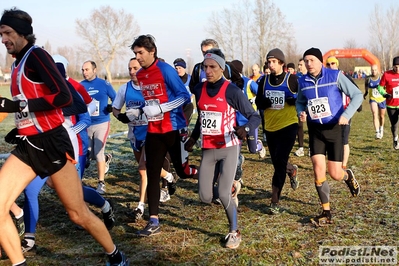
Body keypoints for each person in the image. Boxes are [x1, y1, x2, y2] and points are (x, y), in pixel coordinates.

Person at [0, 8, 128, 265]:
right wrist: (21, 124)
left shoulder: (37, 56)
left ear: (23, 33)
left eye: (8, 33)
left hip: (52, 143)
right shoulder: (16, 65)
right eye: (1, 34)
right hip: (28, 145)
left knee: (77, 213)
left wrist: (18, 108)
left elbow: (63, 97)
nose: (4, 39)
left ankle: (115, 257)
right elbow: (30, 104)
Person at [185, 48, 260, 249]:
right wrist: (193, 138)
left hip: (229, 147)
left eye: (212, 67)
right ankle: (231, 187)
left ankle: (234, 231)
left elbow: (255, 116)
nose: (208, 71)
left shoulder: (231, 90)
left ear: (221, 68)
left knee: (223, 194)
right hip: (208, 148)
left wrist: (245, 129)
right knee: (205, 196)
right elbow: (202, 118)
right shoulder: (199, 89)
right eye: (205, 67)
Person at [130, 34, 192, 237]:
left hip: (174, 128)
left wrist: (162, 108)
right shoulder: (141, 75)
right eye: (135, 53)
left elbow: (184, 96)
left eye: (140, 53)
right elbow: (149, 103)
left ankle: (214, 180)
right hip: (154, 131)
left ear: (152, 51)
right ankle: (153, 220)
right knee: (152, 173)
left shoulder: (166, 70)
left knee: (182, 171)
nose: (138, 57)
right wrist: (138, 111)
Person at [296, 47, 362, 227]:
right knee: (318, 168)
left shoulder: (335, 76)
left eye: (312, 60)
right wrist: (301, 111)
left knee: (335, 174)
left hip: (334, 129)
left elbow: (357, 95)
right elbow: (300, 101)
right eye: (306, 60)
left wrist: (346, 115)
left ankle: (347, 176)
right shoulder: (303, 81)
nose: (308, 64)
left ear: (320, 61)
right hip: (315, 130)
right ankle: (326, 212)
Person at [112, 57, 176, 221]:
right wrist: (122, 117)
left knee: (142, 169)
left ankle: (140, 207)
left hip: (152, 132)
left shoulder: (150, 86)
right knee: (147, 170)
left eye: (135, 68)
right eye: (130, 69)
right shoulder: (124, 88)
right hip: (135, 134)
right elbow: (115, 108)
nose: (132, 71)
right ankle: (168, 176)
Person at [255, 48, 299, 215]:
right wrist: (263, 103)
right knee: (278, 162)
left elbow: (302, 98)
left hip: (289, 125)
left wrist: (293, 100)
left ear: (281, 63)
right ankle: (292, 170)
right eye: (269, 62)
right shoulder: (263, 81)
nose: (270, 64)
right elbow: (258, 102)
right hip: (270, 128)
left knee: (279, 163)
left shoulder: (292, 80)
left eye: (274, 61)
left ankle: (274, 201)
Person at [81, 60, 116, 194]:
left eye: (87, 69)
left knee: (98, 152)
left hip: (102, 122)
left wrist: (111, 108)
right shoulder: (80, 86)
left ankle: (101, 183)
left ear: (94, 70)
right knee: (88, 154)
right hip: (86, 124)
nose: (84, 72)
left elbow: (116, 98)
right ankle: (106, 159)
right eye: (83, 70)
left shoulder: (104, 84)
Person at [325, 56, 361, 169]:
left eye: (333, 63)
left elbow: (356, 93)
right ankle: (334, 163)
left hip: (345, 113)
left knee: (344, 140)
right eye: (328, 64)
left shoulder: (345, 77)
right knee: (333, 140)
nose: (331, 66)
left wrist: (357, 107)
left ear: (337, 64)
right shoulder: (326, 80)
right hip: (331, 115)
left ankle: (344, 166)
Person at [377, 56, 399, 149]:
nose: (397, 68)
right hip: (391, 104)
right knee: (394, 125)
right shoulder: (386, 75)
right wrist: (385, 94)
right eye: (395, 66)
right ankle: (395, 138)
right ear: (392, 66)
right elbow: (380, 87)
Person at [364, 64, 386, 139]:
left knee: (382, 116)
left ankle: (381, 128)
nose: (374, 71)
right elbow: (366, 86)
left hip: (382, 99)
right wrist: (365, 93)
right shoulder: (368, 78)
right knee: (374, 113)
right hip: (373, 98)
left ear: (378, 70)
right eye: (372, 70)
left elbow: (386, 86)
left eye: (375, 70)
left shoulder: (381, 77)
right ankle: (377, 132)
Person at [294, 58, 307, 157]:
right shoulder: (297, 77)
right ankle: (301, 147)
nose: (299, 67)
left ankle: (312, 148)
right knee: (300, 125)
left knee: (312, 126)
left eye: (301, 65)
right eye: (298, 65)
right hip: (300, 103)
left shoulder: (311, 76)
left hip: (311, 104)